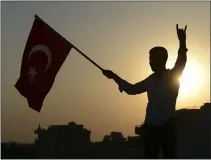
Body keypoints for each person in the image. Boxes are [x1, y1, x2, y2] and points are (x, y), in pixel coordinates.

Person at [102, 24, 188, 158]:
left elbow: (182, 59)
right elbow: (131, 89)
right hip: (151, 128)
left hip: (167, 127)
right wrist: (114, 77)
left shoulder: (172, 76)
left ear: (161, 60)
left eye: (152, 59)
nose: (150, 62)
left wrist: (182, 41)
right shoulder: (150, 80)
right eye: (149, 59)